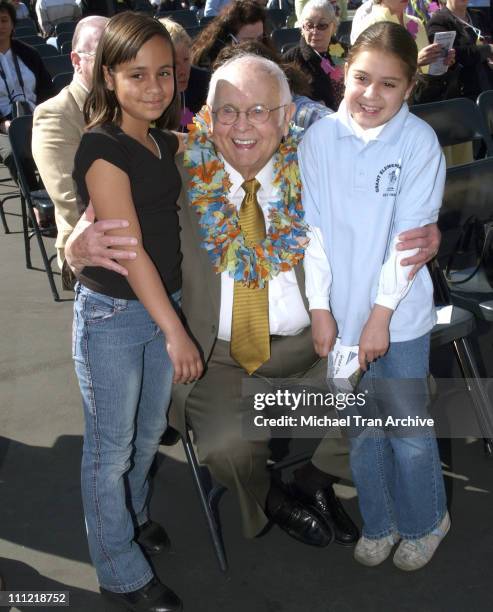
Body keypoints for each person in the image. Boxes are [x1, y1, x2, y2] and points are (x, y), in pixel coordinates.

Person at [65, 51, 442, 551]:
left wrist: (426, 231)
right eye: (227, 111)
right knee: (227, 444)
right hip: (217, 359)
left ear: (286, 117)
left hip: (312, 347)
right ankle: (269, 498)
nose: (242, 126)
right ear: (207, 115)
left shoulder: (314, 164)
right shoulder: (173, 168)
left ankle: (312, 479)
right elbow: (91, 208)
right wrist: (72, 246)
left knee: (408, 398)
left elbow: (385, 212)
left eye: (259, 111)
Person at [300, 21, 449, 571]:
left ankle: (425, 521)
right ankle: (381, 522)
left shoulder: (417, 142)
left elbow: (410, 242)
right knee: (363, 432)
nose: (371, 94)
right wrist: (321, 307)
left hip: (398, 318)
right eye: (362, 78)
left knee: (408, 430)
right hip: (341, 319)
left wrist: (381, 316)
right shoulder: (318, 140)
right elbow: (310, 232)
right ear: (344, 75)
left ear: (410, 87)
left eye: (390, 84)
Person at [71, 12, 202, 612]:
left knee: (149, 433)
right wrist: (176, 332)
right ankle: (119, 569)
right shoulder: (102, 148)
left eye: (165, 74)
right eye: (137, 75)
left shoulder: (158, 137)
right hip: (115, 319)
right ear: (108, 76)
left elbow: (202, 145)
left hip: (160, 305)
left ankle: (130, 514)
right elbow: (129, 251)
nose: (154, 87)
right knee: (111, 448)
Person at [32, 15, 108, 276]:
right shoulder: (55, 115)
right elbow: (73, 202)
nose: (113, 62)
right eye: (102, 53)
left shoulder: (129, 103)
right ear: (76, 61)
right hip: (88, 249)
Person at [0, 0, 53, 190]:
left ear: (13, 23)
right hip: (2, 128)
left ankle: (50, 194)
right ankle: (36, 206)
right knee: (13, 154)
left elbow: (47, 90)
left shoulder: (29, 54)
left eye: (4, 20)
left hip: (36, 118)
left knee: (59, 143)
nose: (0, 26)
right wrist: (2, 123)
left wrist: (42, 113)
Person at [283, 0, 344, 110]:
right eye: (309, 25)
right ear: (302, 29)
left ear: (334, 27)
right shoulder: (290, 60)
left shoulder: (347, 53)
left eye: (322, 25)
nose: (315, 31)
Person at [427, 0, 493, 100]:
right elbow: (453, 54)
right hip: (463, 96)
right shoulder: (438, 22)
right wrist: (488, 49)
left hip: (488, 88)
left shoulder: (479, 16)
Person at [158, 18, 210, 131]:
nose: (183, 71)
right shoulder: (146, 94)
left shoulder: (204, 83)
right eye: (175, 64)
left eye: (186, 60)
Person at [191, 0, 271, 69]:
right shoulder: (210, 64)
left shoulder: (268, 59)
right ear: (229, 39)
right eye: (248, 41)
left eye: (260, 39)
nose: (256, 47)